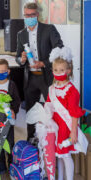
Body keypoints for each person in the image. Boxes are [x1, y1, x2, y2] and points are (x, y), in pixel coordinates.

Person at [15, 2, 63, 141]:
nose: (29, 17)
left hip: (47, 76)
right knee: (30, 110)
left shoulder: (49, 29)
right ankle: (31, 138)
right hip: (30, 77)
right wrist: (22, 59)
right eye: (26, 15)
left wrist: (43, 63)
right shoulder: (21, 34)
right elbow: (18, 56)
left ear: (37, 15)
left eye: (32, 15)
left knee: (53, 107)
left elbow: (59, 49)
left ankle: (56, 138)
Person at [44, 47, 87, 180]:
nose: (58, 73)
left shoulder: (72, 90)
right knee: (59, 156)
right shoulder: (52, 88)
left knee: (66, 156)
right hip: (54, 125)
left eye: (61, 70)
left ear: (68, 71)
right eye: (55, 70)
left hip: (66, 127)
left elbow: (74, 113)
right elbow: (48, 106)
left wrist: (73, 131)